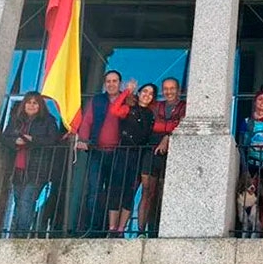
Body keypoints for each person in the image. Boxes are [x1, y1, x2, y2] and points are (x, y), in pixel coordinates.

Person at [2, 91, 61, 236]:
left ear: (40, 105)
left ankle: (21, 236)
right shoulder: (16, 119)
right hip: (17, 169)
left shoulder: (48, 120)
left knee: (26, 202)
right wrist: (15, 141)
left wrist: (32, 139)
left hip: (37, 170)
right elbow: (4, 137)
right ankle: (15, 234)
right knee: (18, 202)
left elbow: (53, 140)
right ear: (24, 104)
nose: (31, 105)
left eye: (35, 103)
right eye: (29, 102)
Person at [76, 70, 124, 235]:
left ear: (120, 83)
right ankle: (94, 228)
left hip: (119, 153)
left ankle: (110, 229)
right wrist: (83, 139)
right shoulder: (97, 100)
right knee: (94, 191)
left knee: (113, 191)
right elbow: (87, 121)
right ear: (105, 84)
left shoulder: (126, 100)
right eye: (108, 81)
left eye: (115, 81)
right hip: (97, 151)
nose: (111, 84)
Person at [139, 77, 186, 238]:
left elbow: (182, 126)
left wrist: (167, 137)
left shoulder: (184, 107)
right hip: (151, 150)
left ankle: (158, 231)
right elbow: (139, 105)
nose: (169, 92)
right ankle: (140, 231)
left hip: (173, 153)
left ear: (178, 90)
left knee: (163, 192)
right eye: (166, 88)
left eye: (172, 88)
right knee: (147, 191)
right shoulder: (155, 106)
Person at [106, 81, 155, 237]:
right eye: (144, 91)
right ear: (139, 94)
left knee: (130, 192)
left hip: (138, 156)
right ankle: (112, 228)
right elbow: (114, 110)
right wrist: (127, 91)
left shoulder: (150, 115)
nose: (147, 95)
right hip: (123, 153)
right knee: (116, 189)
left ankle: (121, 229)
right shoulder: (128, 109)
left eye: (151, 93)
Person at [238, 86, 263, 235]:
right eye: (260, 99)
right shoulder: (247, 122)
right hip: (251, 163)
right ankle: (247, 228)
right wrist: (244, 168)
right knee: (247, 199)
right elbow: (241, 145)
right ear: (255, 102)